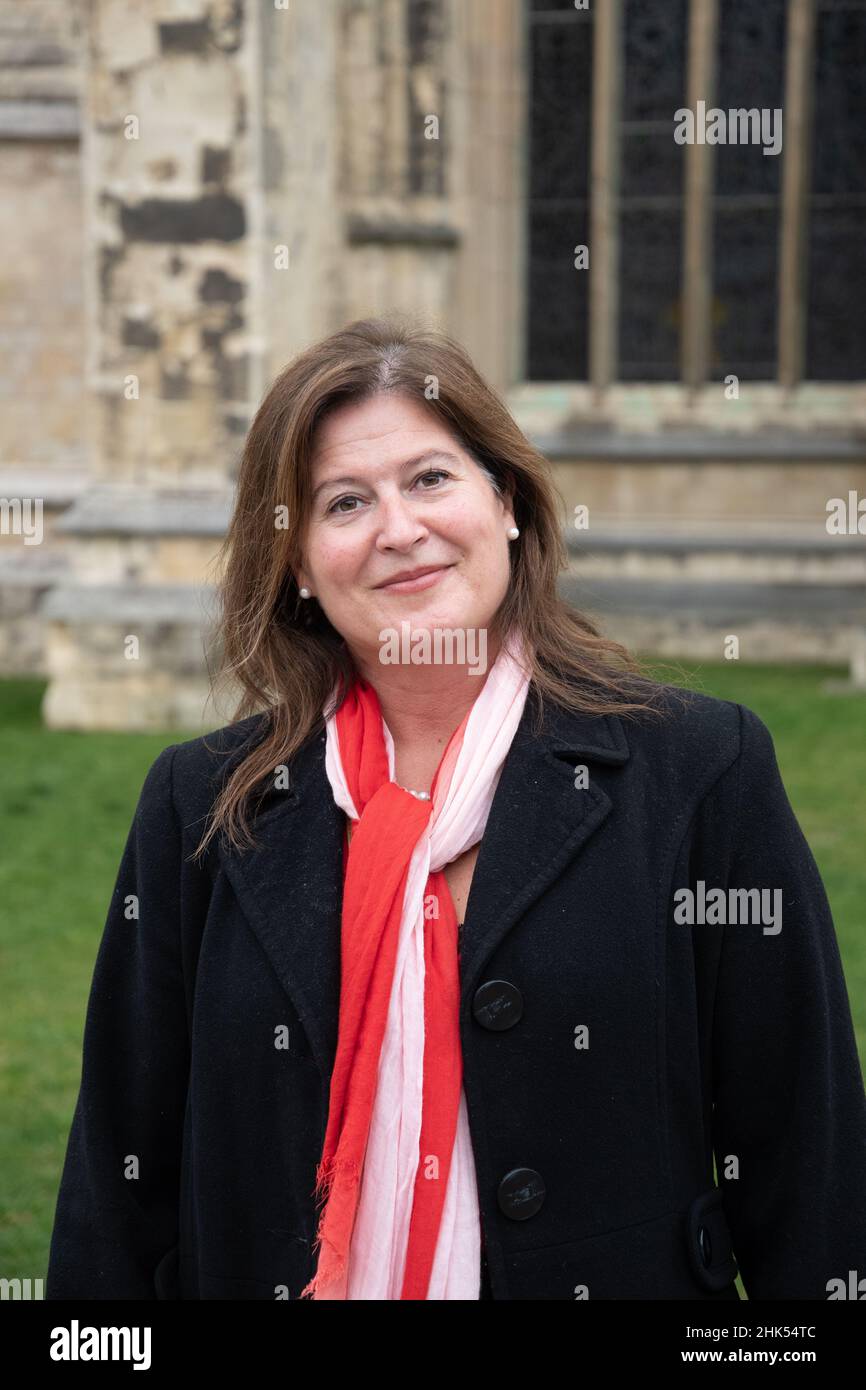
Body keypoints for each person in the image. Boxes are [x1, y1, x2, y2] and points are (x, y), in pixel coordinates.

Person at [46, 315, 866, 1300]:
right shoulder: (201, 805)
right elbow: (116, 1184)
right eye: (344, 502)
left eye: (431, 478)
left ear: (506, 501)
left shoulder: (698, 770)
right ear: (299, 562)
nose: (399, 529)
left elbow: (803, 1165)